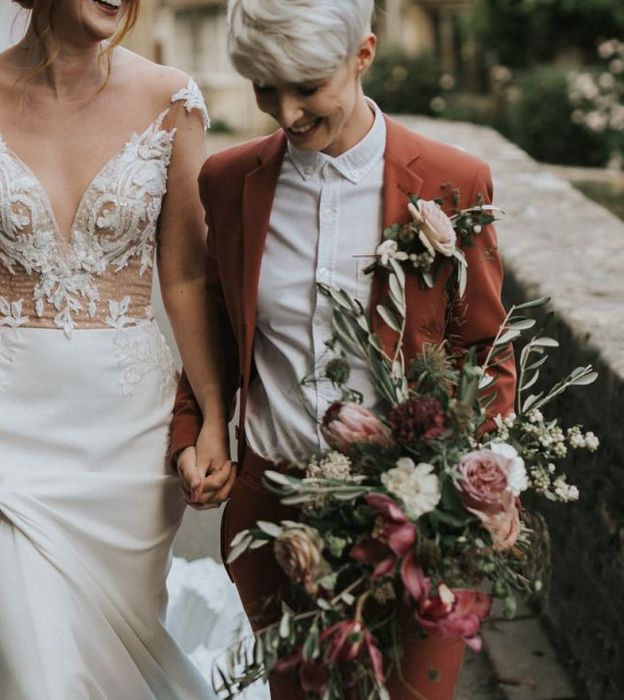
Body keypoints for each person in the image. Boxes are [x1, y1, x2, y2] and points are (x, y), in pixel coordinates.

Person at [0, 0, 234, 697]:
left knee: (98, 669)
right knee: (36, 673)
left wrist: (212, 412)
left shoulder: (171, 99)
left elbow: (184, 276)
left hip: (128, 443)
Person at [171, 0, 517, 698]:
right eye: (265, 86)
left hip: (415, 521)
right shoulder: (228, 182)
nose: (286, 111)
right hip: (275, 516)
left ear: (363, 56)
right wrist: (196, 429)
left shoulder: (454, 180)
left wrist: (475, 482)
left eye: (306, 85)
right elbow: (214, 327)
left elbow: (485, 349)